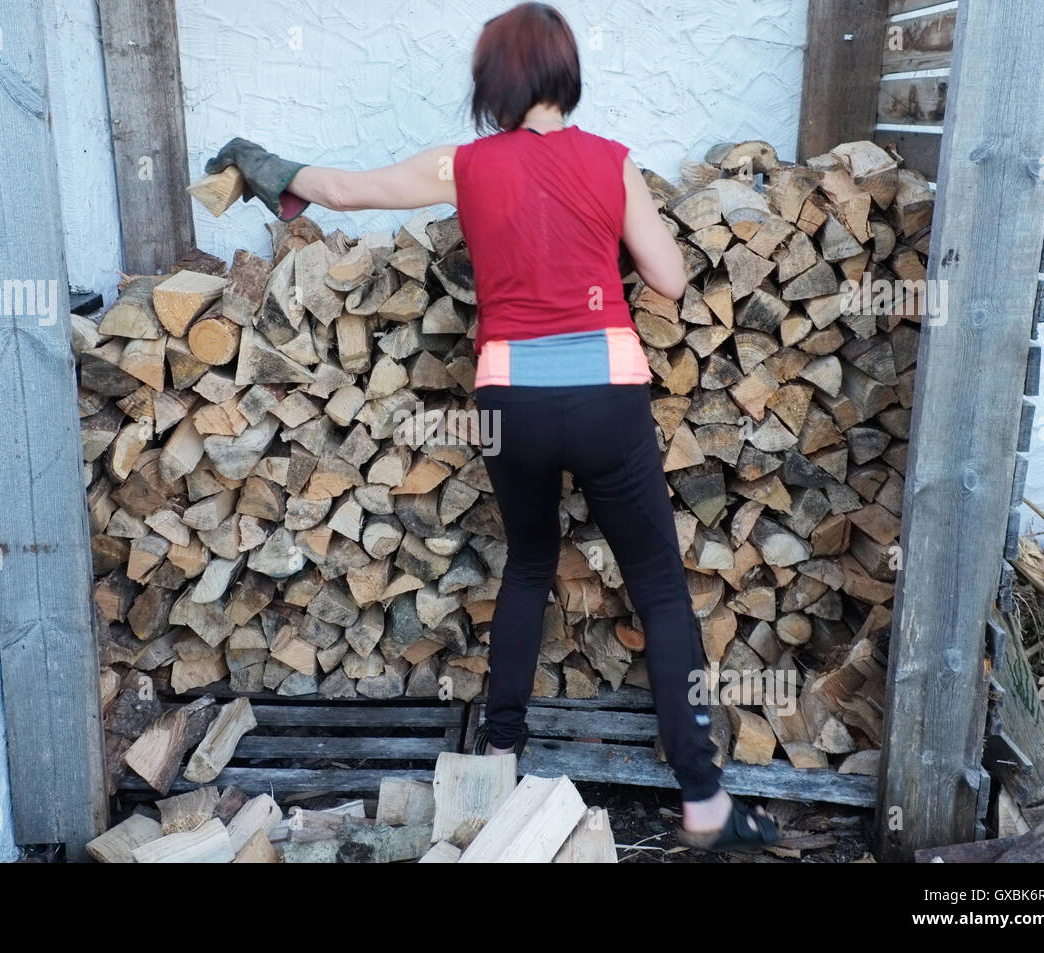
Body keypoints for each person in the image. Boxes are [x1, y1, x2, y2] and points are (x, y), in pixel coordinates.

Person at [206, 1, 779, 851]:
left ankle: (500, 752)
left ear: (495, 84)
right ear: (563, 75)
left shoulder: (463, 164)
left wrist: (267, 165)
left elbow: (346, 188)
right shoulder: (611, 162)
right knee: (659, 588)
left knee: (529, 563)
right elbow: (667, 279)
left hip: (510, 397)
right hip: (608, 393)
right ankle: (702, 800)